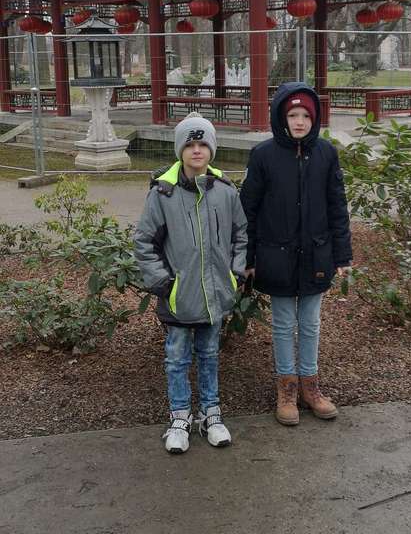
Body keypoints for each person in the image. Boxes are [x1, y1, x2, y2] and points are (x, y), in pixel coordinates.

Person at [240, 82, 352, 426]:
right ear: (281, 118)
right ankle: (286, 388)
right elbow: (248, 210)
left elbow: (337, 206)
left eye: (306, 115)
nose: (299, 121)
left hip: (316, 253)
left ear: (314, 119)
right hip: (276, 255)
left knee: (311, 323)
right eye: (292, 115)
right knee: (284, 323)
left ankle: (310, 386)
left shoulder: (326, 154)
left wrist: (342, 255)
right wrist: (248, 259)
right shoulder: (263, 156)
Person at [134, 112, 247, 453]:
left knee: (210, 355)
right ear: (180, 150)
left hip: (215, 293)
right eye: (190, 145)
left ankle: (211, 413)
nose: (197, 150)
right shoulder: (163, 193)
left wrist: (235, 274)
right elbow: (145, 242)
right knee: (177, 359)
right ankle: (179, 416)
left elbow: (241, 235)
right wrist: (164, 284)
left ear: (211, 149)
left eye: (203, 144)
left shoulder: (225, 191)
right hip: (179, 296)